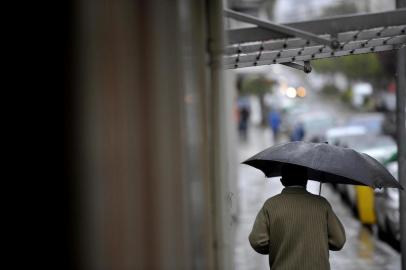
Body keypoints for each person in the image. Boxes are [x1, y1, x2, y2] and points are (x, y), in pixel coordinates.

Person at [249, 163, 346, 270]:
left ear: (282, 181)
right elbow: (338, 241)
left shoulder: (271, 205)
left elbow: (257, 241)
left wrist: (277, 246)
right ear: (306, 180)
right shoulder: (322, 204)